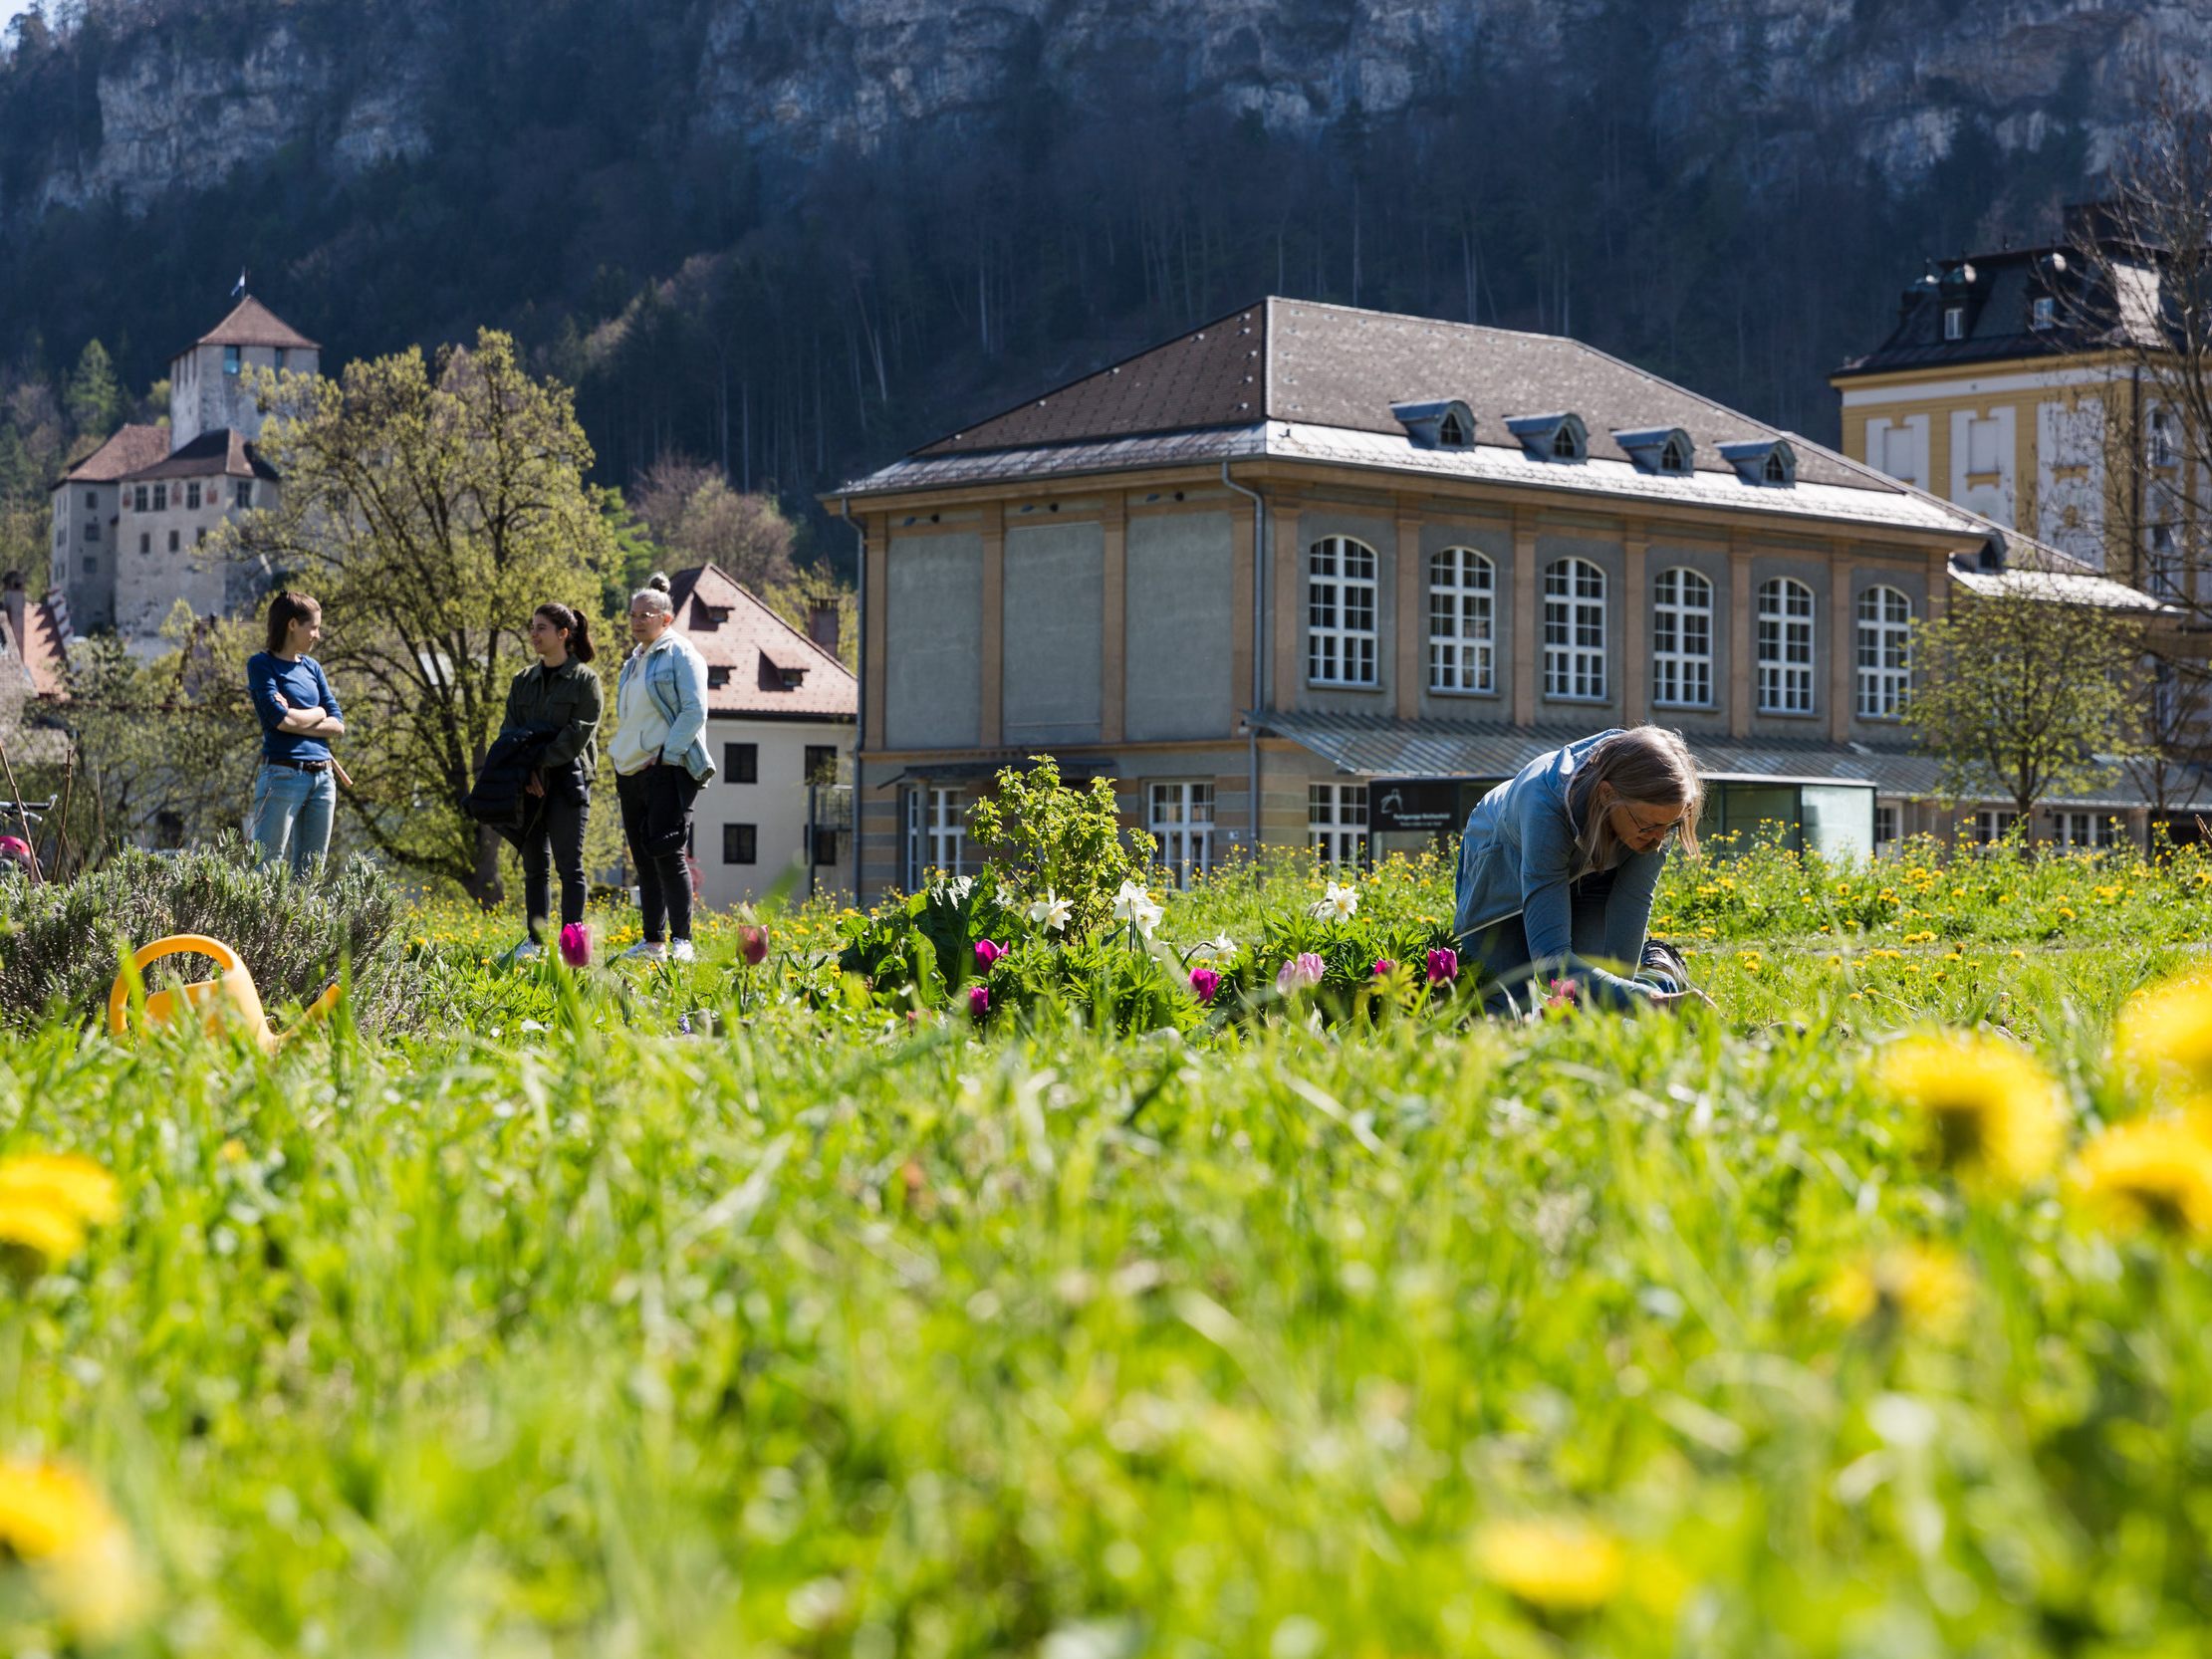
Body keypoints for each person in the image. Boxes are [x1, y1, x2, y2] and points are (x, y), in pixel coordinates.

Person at [1452, 725, 1708, 1012]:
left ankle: (1660, 973)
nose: (1659, 840)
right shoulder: (1544, 806)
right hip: (1502, 868)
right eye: (1650, 827)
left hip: (1595, 875)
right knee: (1503, 1014)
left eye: (1669, 826)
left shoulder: (1656, 812)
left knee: (1595, 1006)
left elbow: (1631, 908)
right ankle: (1660, 985)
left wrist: (1624, 1004)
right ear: (1607, 794)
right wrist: (1650, 1001)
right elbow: (1551, 963)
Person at [610, 573, 715, 962]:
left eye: (646, 614)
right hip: (632, 770)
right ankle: (652, 941)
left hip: (669, 768)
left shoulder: (681, 654)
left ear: (666, 619)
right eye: (633, 614)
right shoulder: (633, 662)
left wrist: (668, 756)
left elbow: (694, 711)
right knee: (644, 858)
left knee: (668, 852)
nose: (637, 621)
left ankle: (681, 941)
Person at [505, 602, 604, 961]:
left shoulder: (585, 680)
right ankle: (535, 942)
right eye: (532, 627)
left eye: (541, 628)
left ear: (563, 634)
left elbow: (577, 735)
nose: (533, 634)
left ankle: (572, 946)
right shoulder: (522, 681)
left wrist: (539, 764)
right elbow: (510, 732)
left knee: (569, 865)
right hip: (528, 783)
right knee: (534, 867)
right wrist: (525, 770)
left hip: (568, 782)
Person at [246, 591, 345, 876]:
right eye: (313, 627)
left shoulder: (312, 668)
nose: (317, 635)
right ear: (292, 625)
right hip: (282, 774)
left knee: (312, 871)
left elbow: (337, 723)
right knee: (265, 866)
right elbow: (280, 721)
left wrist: (301, 716)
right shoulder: (261, 665)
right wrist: (317, 712)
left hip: (324, 778)